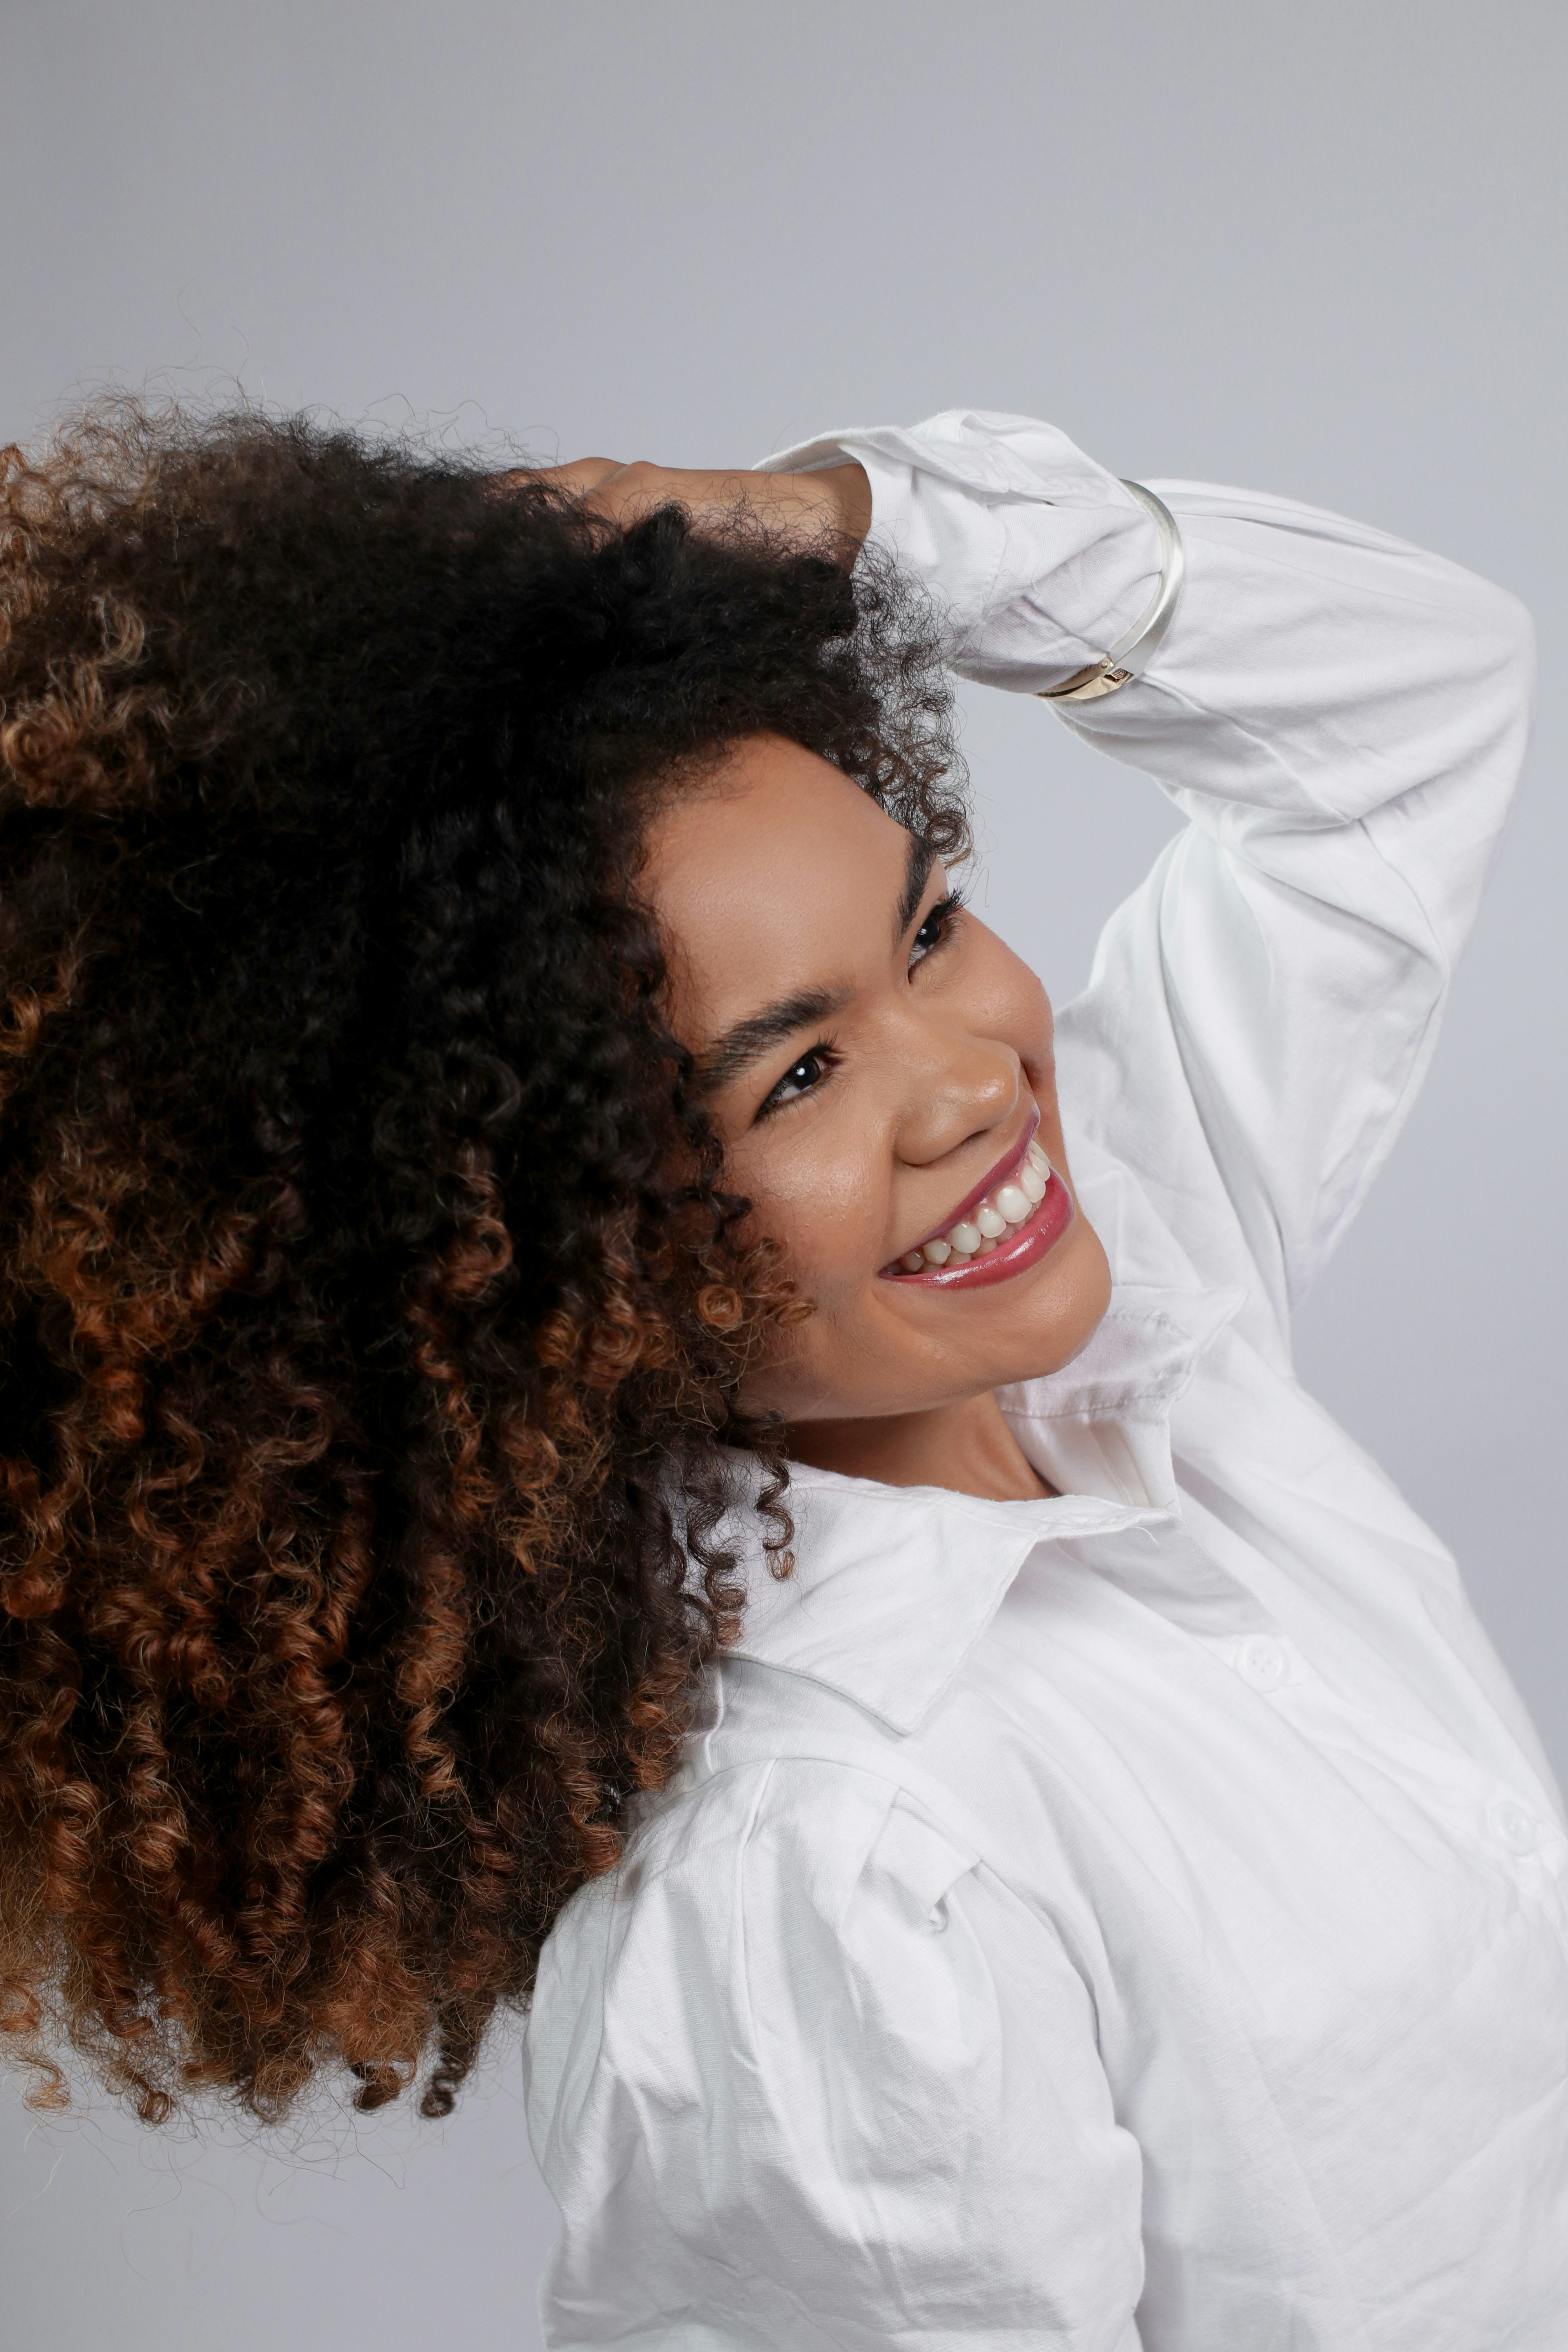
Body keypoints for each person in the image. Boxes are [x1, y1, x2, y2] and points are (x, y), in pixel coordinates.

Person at [0, 400, 1561, 2347]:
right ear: (517, 1263)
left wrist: (849, 524)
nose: (979, 1079)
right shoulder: (831, 1878)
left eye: (928, 928)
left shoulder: (1137, 1281)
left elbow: (1408, 718)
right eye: (798, 1072)